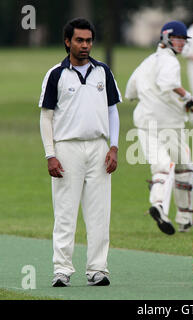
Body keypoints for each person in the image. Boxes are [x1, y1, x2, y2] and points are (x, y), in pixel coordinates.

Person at [38, 18, 122, 287]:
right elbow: (46, 117)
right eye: (79, 40)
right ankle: (62, 269)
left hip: (98, 147)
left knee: (99, 213)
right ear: (67, 41)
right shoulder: (56, 74)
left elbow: (112, 110)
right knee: (65, 212)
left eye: (88, 40)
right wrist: (50, 154)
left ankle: (98, 269)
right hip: (67, 149)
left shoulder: (103, 72)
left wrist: (114, 146)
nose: (85, 45)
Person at [125, 21, 193, 235]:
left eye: (184, 40)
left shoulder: (146, 62)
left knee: (166, 166)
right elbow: (168, 83)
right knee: (181, 166)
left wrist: (155, 97)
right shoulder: (170, 62)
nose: (182, 43)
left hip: (145, 122)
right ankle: (183, 217)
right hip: (169, 125)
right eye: (179, 39)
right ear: (166, 38)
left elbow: (130, 92)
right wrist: (189, 97)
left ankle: (160, 206)